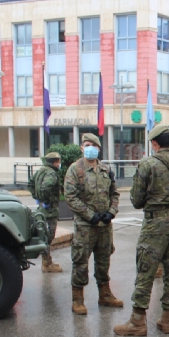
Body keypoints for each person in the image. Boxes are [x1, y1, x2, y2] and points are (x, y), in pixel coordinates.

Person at [113, 125, 169, 336]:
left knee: (145, 272)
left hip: (154, 226)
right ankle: (167, 320)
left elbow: (137, 200)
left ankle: (137, 322)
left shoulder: (147, 164)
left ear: (154, 143)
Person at [64, 133, 123, 315]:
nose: (90, 148)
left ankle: (104, 295)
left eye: (94, 145)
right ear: (82, 148)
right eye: (87, 145)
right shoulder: (75, 169)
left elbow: (115, 194)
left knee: (103, 261)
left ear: (98, 149)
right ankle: (78, 299)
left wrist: (111, 213)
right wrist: (90, 216)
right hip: (85, 227)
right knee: (81, 262)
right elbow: (70, 197)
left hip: (104, 227)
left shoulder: (106, 170)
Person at [31, 151, 64, 273]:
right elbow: (46, 187)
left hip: (42, 208)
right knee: (48, 236)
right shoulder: (52, 173)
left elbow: (30, 183)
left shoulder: (41, 170)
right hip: (49, 210)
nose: (59, 164)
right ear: (55, 162)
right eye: (59, 162)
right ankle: (46, 263)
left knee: (45, 235)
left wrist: (37, 197)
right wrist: (46, 200)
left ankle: (48, 261)